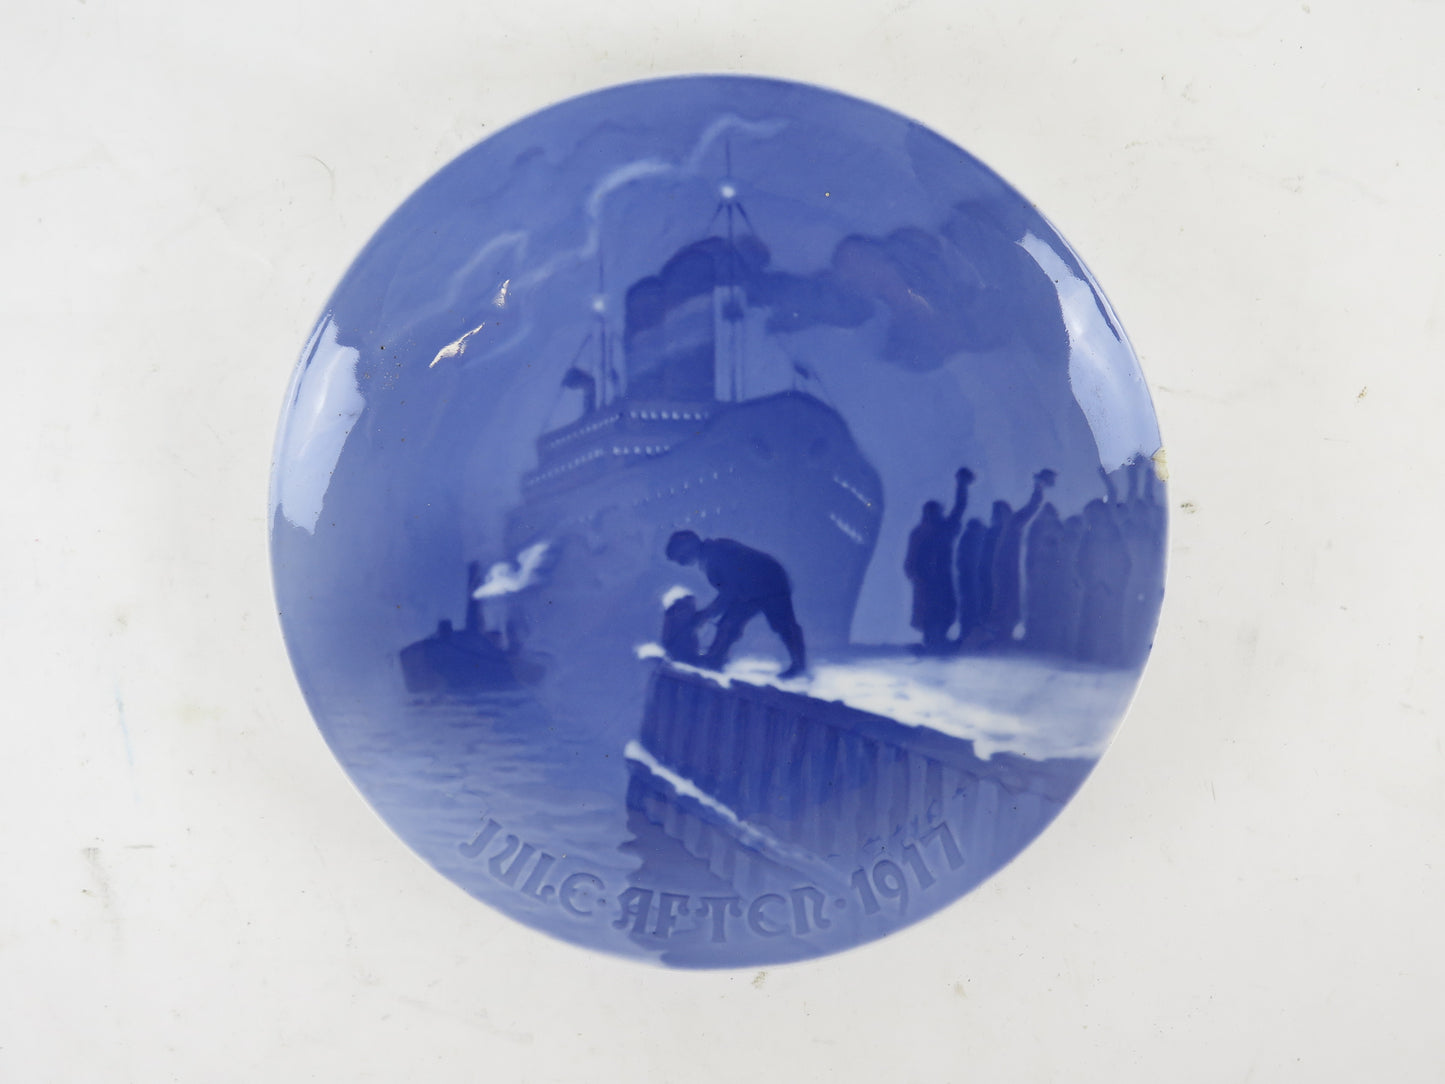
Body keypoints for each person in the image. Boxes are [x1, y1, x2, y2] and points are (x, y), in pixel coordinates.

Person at [664, 530, 807, 678]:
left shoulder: (715, 554)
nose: (681, 562)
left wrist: (705, 615)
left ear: (687, 549)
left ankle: (799, 666)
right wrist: (707, 614)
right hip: (748, 590)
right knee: (729, 623)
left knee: (784, 625)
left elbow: (728, 594)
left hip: (770, 582)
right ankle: (715, 659)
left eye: (680, 558)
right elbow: (730, 592)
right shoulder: (711, 555)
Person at [905, 467, 973, 653]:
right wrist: (916, 576)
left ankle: (938, 640)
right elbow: (910, 560)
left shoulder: (942, 529)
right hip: (928, 583)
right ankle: (934, 641)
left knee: (945, 610)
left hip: (940, 581)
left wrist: (962, 485)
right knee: (934, 613)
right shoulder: (923, 532)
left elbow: (959, 508)